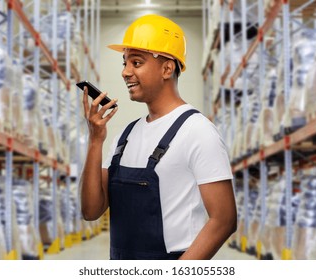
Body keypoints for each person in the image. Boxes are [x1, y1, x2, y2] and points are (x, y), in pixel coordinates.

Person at [80, 14, 237, 260]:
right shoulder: (124, 137)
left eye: (136, 62)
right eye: (124, 63)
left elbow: (224, 220)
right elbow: (90, 211)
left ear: (167, 68)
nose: (125, 72)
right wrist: (95, 141)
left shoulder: (197, 131)